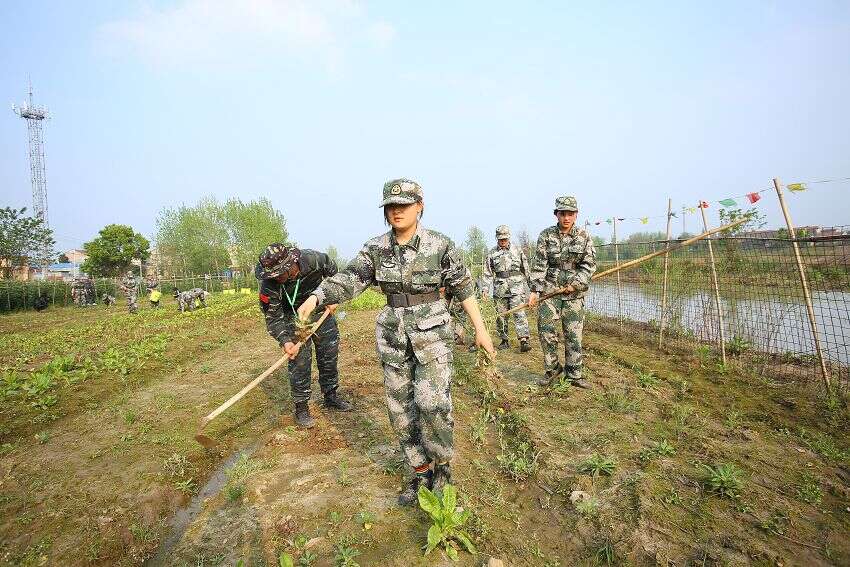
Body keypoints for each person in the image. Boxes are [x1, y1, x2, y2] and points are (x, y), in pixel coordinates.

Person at [296, 178, 496, 506]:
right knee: (400, 410)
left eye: (403, 205)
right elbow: (350, 279)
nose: (396, 211)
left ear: (420, 207)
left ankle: (443, 470)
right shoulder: (375, 249)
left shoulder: (440, 245)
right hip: (393, 337)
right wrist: (317, 297)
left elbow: (463, 286)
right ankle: (419, 471)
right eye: (391, 206)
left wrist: (481, 329)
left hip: (432, 335)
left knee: (433, 404)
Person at [256, 244, 351, 428]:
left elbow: (335, 275)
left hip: (320, 310)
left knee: (329, 355)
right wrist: (285, 341)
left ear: (291, 264)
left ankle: (331, 396)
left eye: (279, 273)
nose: (276, 278)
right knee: (299, 361)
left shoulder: (314, 260)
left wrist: (333, 299)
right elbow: (273, 318)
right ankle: (301, 407)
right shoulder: (269, 286)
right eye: (272, 275)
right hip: (292, 317)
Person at [528, 196, 597, 388]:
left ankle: (574, 374)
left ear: (576, 215)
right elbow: (539, 265)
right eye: (562, 213)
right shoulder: (546, 236)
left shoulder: (584, 237)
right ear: (556, 214)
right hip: (551, 292)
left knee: (573, 334)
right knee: (546, 331)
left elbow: (589, 265)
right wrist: (534, 291)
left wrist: (577, 283)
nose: (566, 218)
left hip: (574, 294)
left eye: (570, 214)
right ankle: (552, 370)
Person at [482, 225, 532, 352]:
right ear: (496, 238)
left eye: (505, 238)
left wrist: (533, 289)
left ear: (508, 237)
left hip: (517, 289)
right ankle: (504, 340)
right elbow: (487, 273)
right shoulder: (492, 253)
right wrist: (485, 290)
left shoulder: (517, 250)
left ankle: (523, 340)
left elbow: (526, 269)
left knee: (519, 312)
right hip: (500, 289)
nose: (503, 241)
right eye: (500, 239)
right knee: (501, 315)